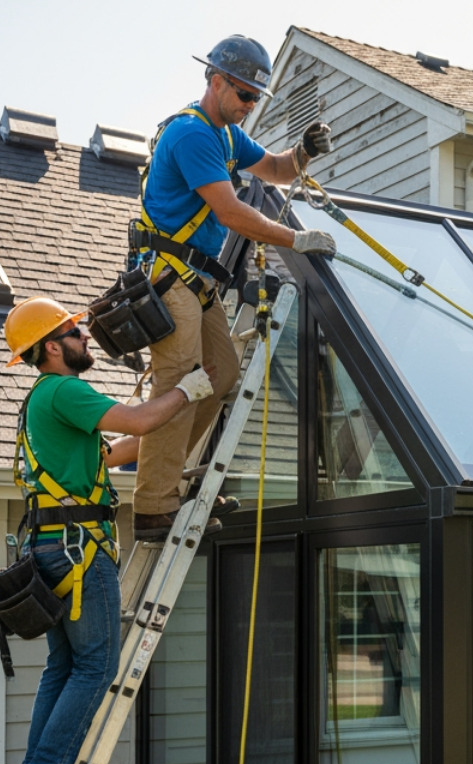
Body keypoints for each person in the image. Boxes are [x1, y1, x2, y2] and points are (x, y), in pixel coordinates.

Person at [3, 297, 216, 764]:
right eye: (74, 333)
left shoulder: (39, 400)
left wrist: (176, 429)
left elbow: (117, 449)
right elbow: (139, 422)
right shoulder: (65, 389)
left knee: (64, 665)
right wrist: (187, 390)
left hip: (49, 545)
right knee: (97, 667)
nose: (84, 338)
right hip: (78, 549)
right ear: (52, 347)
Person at [132, 34, 338, 541]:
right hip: (169, 276)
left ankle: (171, 483)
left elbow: (273, 168)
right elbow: (229, 211)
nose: (249, 106)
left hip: (196, 280)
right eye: (244, 95)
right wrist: (295, 238)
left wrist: (303, 152)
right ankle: (155, 506)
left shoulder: (225, 135)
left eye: (255, 99)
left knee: (220, 375)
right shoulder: (193, 134)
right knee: (180, 385)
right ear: (216, 81)